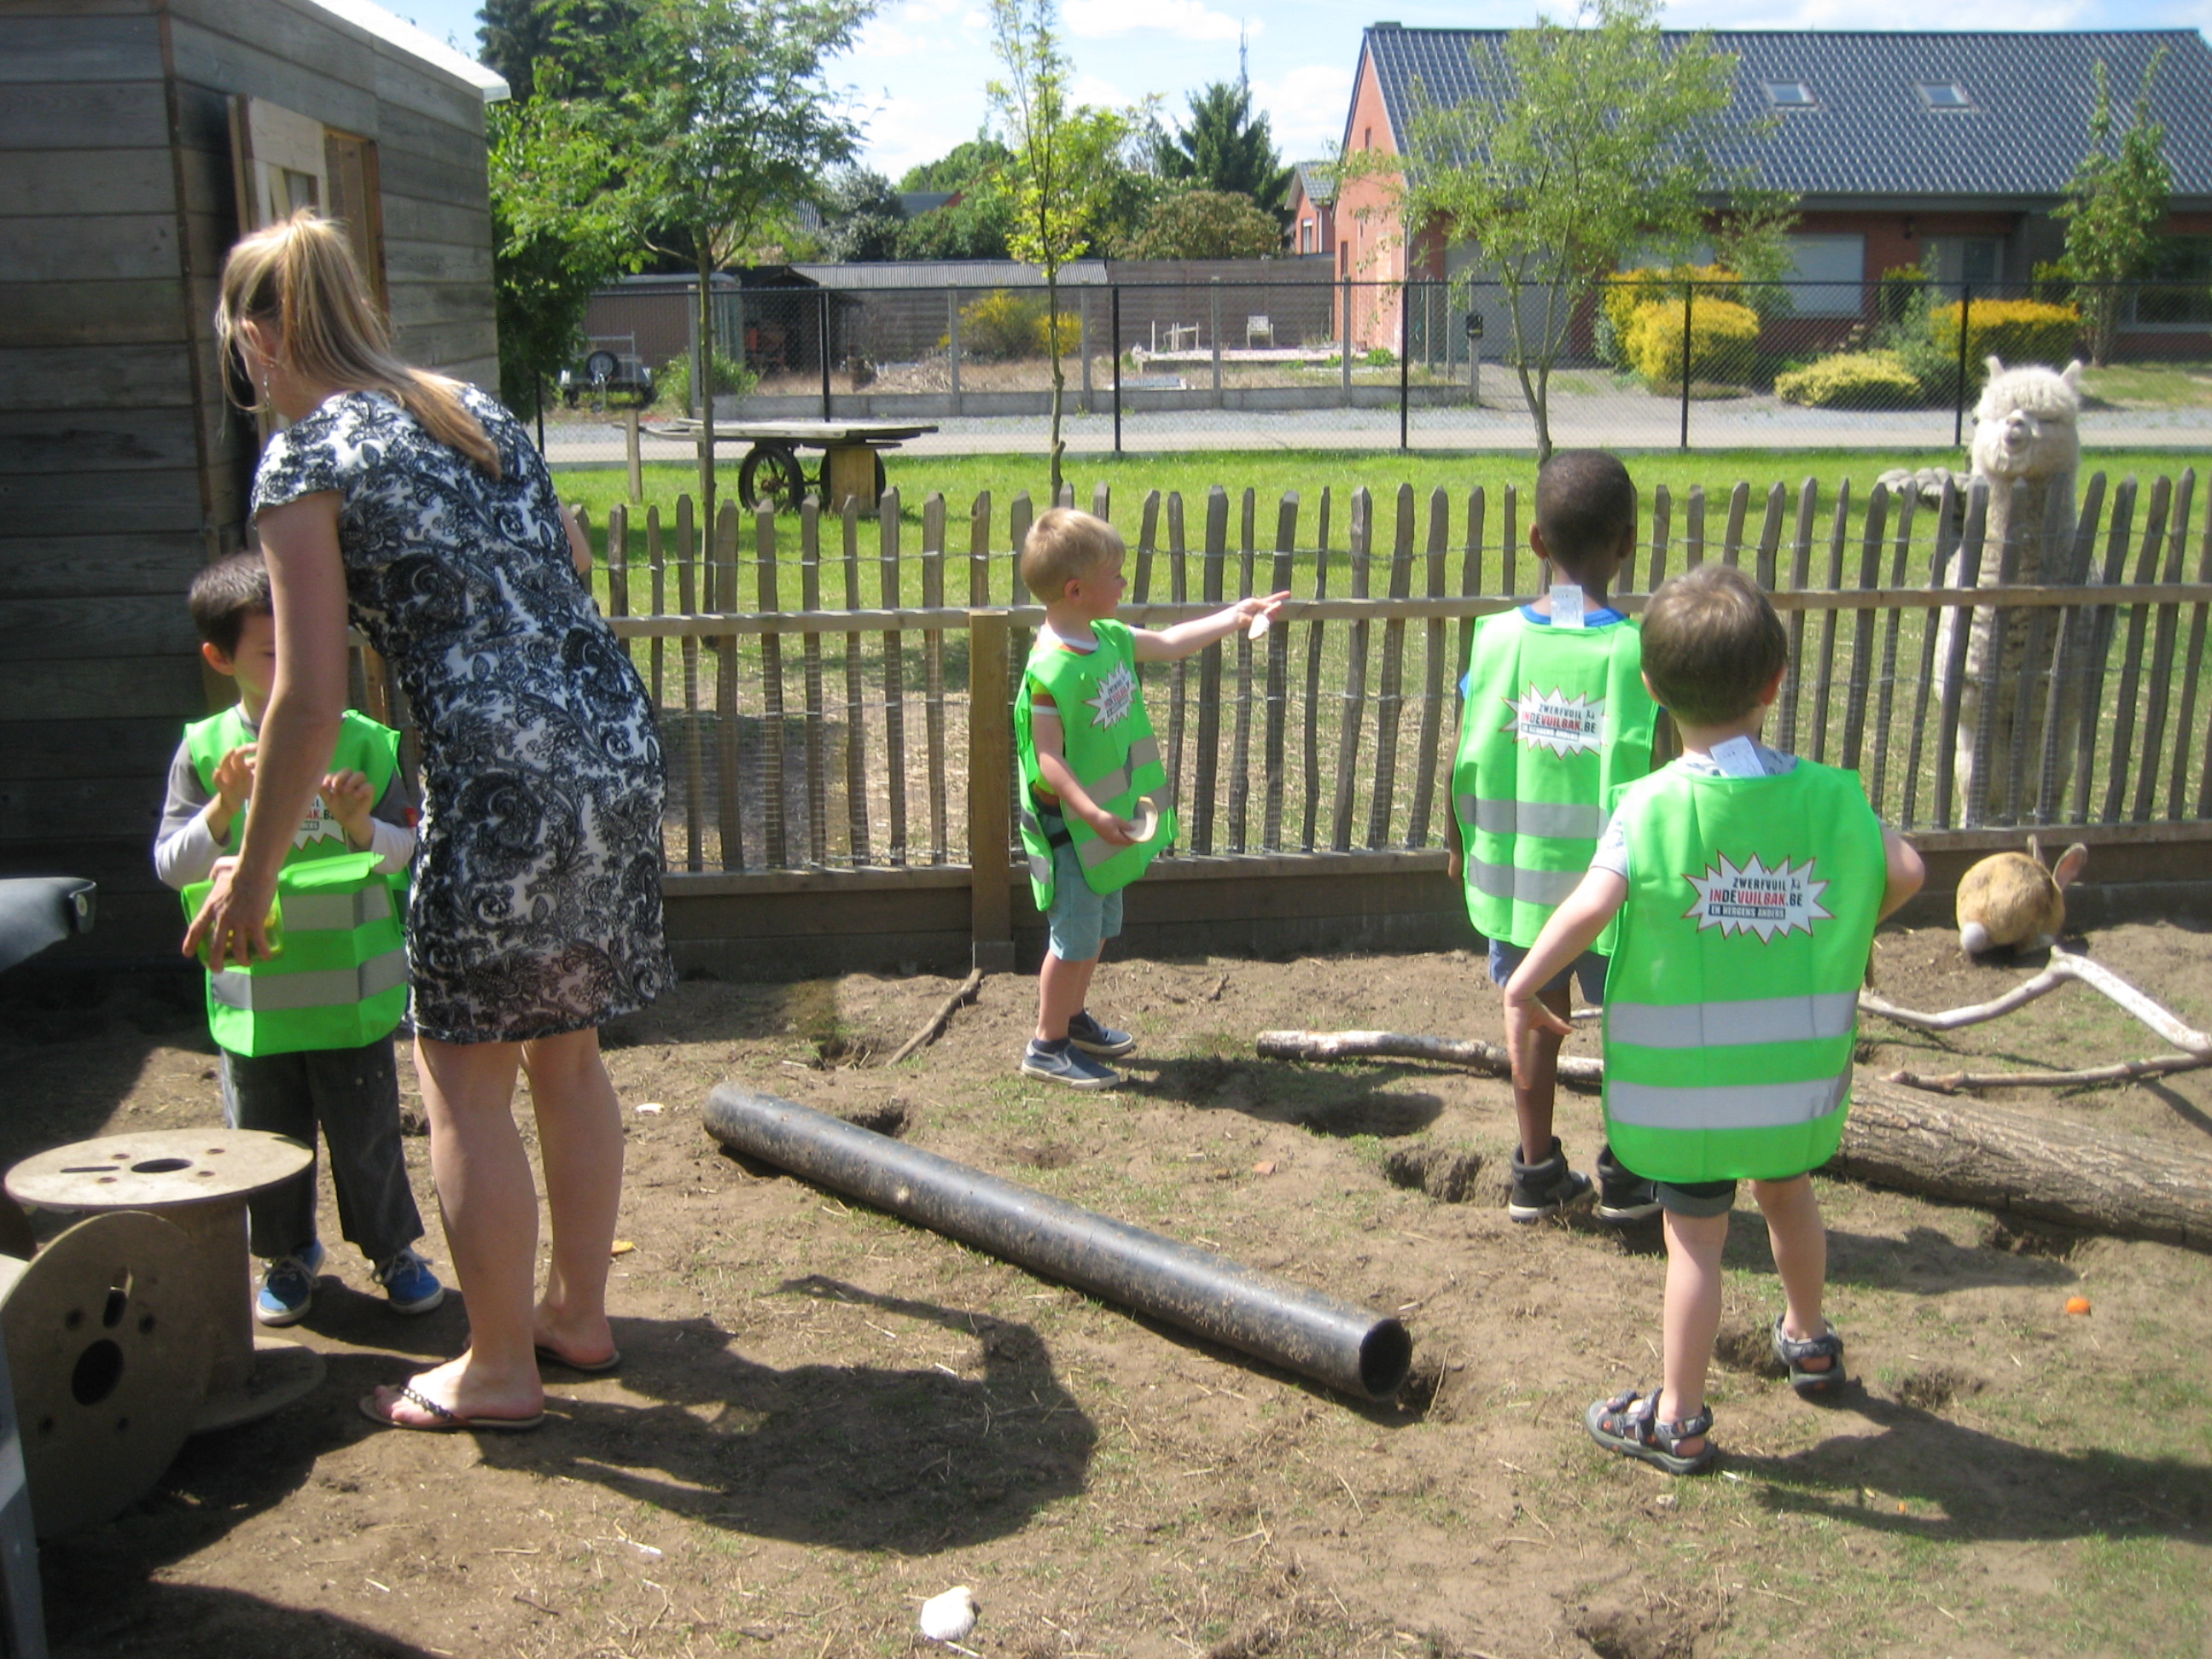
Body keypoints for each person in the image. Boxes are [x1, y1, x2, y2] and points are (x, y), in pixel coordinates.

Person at [196, 211, 672, 1433]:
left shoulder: (305, 457)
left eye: (237, 351)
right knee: (565, 1053)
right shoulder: (472, 407)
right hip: (610, 746)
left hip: (503, 775)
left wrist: (246, 883)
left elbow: (305, 700)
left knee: (462, 1079)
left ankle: (501, 1367)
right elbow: (564, 551)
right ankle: (578, 1313)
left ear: (259, 335)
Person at [1503, 564, 1924, 1475]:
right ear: (1776, 683)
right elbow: (1910, 873)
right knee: (1790, 1196)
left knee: (1694, 1242)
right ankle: (1808, 1340)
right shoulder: (1832, 800)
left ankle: (1679, 1419)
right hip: (1789, 1085)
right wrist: (1840, 925)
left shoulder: (1647, 807)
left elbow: (1588, 906)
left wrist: (1526, 981)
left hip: (1687, 1099)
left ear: (1651, 688)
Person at [154, 552, 442, 1327]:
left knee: (368, 1135)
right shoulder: (208, 751)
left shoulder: (364, 745)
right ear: (220, 659)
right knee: (264, 1140)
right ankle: (288, 1258)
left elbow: (408, 850)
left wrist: (358, 825)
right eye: (271, 653)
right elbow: (167, 864)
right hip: (257, 1005)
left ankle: (393, 1252)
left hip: (352, 999)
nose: (295, 666)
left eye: (304, 643)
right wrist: (222, 812)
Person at [1448, 451, 1661, 1223]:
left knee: (1532, 1012)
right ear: (1628, 542)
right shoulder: (1637, 652)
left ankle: (1535, 1171)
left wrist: (1455, 838)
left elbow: (1466, 744)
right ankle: (1632, 1173)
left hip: (1515, 884)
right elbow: (1664, 762)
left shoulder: (1495, 639)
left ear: (1536, 541)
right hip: (1615, 894)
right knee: (1634, 1026)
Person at [1014, 508, 1285, 1089]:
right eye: (1116, 575)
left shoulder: (1105, 637)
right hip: (1075, 834)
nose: (1125, 584)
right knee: (1073, 937)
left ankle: (1072, 1018)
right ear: (1077, 590)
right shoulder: (1050, 672)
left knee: (1101, 923)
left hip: (1107, 831)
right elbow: (1048, 761)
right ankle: (1047, 1043)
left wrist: (1235, 617)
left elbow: (1167, 642)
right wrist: (1090, 813)